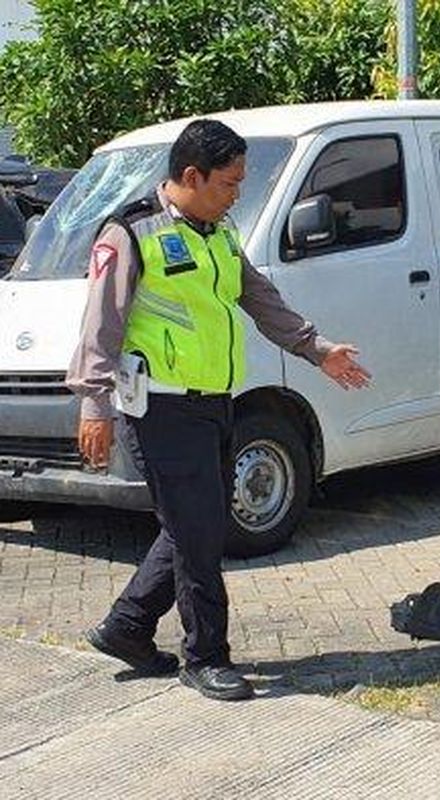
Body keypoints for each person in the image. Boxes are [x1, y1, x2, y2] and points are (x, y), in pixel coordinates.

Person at [66, 119, 371, 701]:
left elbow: (259, 297)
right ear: (191, 176)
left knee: (192, 524)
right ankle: (205, 656)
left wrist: (316, 349)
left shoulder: (219, 233)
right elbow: (100, 325)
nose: (236, 194)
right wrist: (94, 404)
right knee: (201, 533)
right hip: (159, 408)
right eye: (229, 183)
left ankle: (127, 626)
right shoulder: (131, 232)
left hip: (214, 402)